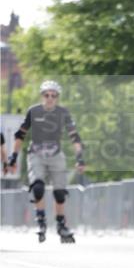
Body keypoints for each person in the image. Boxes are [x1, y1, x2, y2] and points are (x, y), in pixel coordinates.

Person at [7, 80, 85, 243]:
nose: (50, 98)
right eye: (46, 95)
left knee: (60, 192)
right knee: (38, 187)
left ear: (57, 98)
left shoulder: (63, 113)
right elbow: (20, 135)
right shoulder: (33, 111)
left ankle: (61, 225)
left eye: (53, 96)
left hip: (56, 153)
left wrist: (80, 158)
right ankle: (41, 221)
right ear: (42, 96)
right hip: (36, 153)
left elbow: (74, 136)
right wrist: (13, 156)